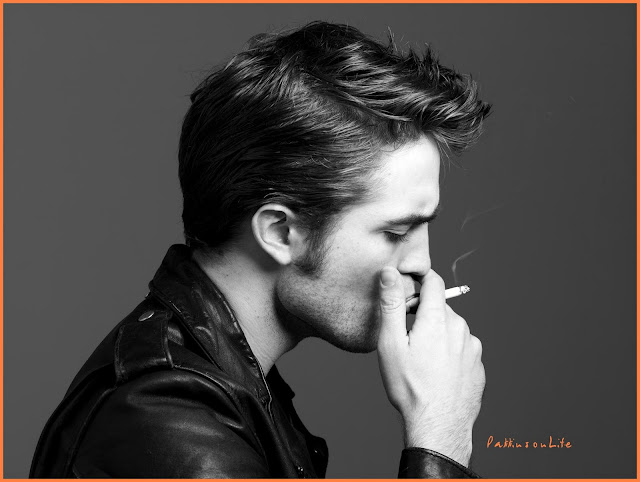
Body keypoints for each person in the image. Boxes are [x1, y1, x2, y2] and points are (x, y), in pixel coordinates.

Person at [30, 21, 490, 478]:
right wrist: (439, 437)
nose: (422, 265)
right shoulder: (168, 425)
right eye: (396, 232)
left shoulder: (224, 389)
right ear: (279, 232)